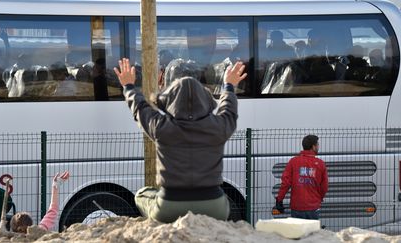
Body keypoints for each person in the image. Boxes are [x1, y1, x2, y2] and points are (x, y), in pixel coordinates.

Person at [113, 57, 247, 223]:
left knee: (143, 194)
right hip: (214, 206)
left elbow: (140, 108)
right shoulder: (218, 127)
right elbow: (229, 108)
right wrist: (229, 85)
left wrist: (128, 86)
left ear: (170, 102)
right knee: (222, 201)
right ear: (205, 100)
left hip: (169, 205)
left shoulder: (161, 127)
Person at [274, 135, 328, 220]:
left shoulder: (293, 162)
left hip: (297, 207)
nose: (318, 147)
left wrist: (279, 199)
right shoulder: (320, 164)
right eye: (317, 144)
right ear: (313, 147)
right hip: (313, 207)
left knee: (297, 232)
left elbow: (286, 183)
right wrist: (318, 199)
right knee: (313, 233)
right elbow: (324, 187)